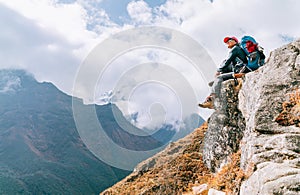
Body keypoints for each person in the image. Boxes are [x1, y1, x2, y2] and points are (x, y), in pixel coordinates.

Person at [198, 36, 249, 109]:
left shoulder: (235, 49)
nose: (228, 42)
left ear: (235, 41)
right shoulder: (238, 49)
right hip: (239, 68)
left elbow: (228, 61)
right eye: (227, 42)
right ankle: (215, 85)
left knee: (219, 77)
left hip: (239, 71)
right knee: (220, 74)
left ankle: (212, 99)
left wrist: (219, 71)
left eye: (230, 40)